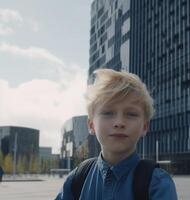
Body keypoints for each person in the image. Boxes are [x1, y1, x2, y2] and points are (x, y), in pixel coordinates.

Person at [56, 69, 177, 199]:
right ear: (91, 125)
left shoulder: (157, 183)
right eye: (108, 113)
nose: (119, 123)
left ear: (144, 127)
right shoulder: (77, 178)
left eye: (131, 114)